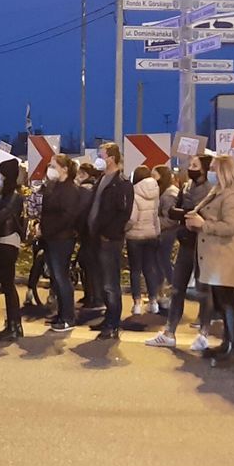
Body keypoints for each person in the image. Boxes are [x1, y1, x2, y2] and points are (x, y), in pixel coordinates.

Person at [187, 155, 234, 367]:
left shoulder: (233, 195)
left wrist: (203, 224)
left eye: (214, 168)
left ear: (223, 171)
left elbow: (231, 227)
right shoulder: (217, 192)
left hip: (225, 255)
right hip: (214, 255)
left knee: (228, 302)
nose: (210, 172)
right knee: (222, 303)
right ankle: (227, 344)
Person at [145, 155, 213, 350]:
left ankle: (203, 333)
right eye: (190, 164)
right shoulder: (186, 187)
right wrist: (182, 213)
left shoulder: (210, 190)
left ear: (205, 169)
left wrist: (189, 214)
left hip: (203, 243)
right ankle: (169, 332)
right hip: (186, 241)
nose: (190, 168)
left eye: (194, 165)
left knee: (203, 290)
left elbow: (205, 215)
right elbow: (181, 210)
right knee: (177, 288)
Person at [86, 142, 133, 338]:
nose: (99, 158)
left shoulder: (121, 183)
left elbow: (123, 214)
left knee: (110, 283)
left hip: (110, 240)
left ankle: (113, 323)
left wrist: (109, 233)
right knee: (103, 282)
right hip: (97, 237)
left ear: (111, 158)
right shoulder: (101, 180)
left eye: (101, 154)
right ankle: (108, 317)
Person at [40, 154, 82, 333]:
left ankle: (68, 317)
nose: (50, 169)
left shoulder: (70, 189)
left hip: (62, 239)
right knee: (56, 278)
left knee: (62, 277)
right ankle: (60, 313)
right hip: (51, 238)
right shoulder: (54, 186)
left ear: (64, 169)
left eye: (53, 166)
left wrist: (48, 229)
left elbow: (67, 217)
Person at [0, 158, 25, 342]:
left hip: (7, 242)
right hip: (1, 242)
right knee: (6, 284)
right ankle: (12, 324)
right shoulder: (5, 194)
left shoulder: (14, 196)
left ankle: (14, 325)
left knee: (8, 285)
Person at [126, 165, 163, 315]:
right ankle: (153, 301)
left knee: (135, 270)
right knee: (150, 268)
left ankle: (137, 304)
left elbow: (132, 218)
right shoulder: (155, 192)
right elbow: (156, 216)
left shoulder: (134, 193)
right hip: (152, 234)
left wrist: (124, 229)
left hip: (135, 236)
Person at [75, 163, 102, 310]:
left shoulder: (86, 189)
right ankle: (91, 295)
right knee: (87, 264)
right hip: (91, 232)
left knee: (89, 265)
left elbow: (81, 211)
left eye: (80, 174)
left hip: (88, 232)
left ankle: (94, 298)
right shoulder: (94, 187)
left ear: (84, 174)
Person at [153, 164, 180, 310]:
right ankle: (163, 293)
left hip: (167, 233)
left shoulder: (169, 194)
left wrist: (154, 222)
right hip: (163, 232)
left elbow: (171, 219)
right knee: (160, 262)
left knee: (164, 262)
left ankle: (172, 292)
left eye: (154, 176)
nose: (152, 179)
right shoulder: (165, 191)